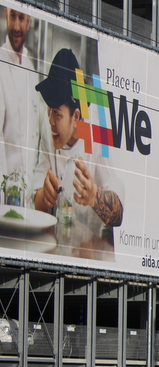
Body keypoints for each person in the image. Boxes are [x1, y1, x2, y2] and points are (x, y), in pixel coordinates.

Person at [32, 47, 123, 259]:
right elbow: (36, 199)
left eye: (57, 114)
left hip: (92, 256)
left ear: (76, 117)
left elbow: (118, 213)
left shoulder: (98, 136)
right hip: (56, 251)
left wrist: (94, 197)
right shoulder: (49, 132)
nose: (51, 121)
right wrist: (43, 198)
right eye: (49, 110)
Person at [0, 7, 43, 204]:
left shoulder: (31, 69)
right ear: (6, 16)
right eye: (13, 17)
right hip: (5, 194)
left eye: (22, 18)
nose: (16, 26)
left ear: (28, 22)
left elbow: (35, 138)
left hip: (27, 198)